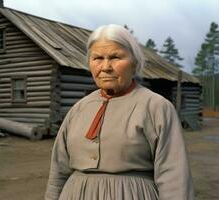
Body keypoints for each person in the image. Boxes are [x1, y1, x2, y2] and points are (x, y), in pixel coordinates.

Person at [45, 24, 194, 200]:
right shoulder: (79, 108)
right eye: (98, 58)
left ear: (134, 63)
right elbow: (58, 170)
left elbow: (174, 177)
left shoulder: (156, 107)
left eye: (115, 57)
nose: (106, 66)